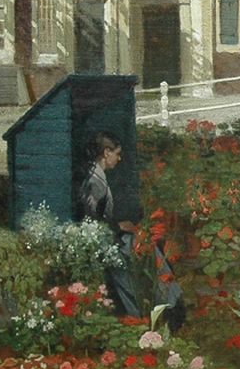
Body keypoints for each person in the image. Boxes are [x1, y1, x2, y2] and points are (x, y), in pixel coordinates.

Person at [77, 131, 185, 329]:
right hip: (106, 244)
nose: (119, 158)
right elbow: (91, 222)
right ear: (106, 152)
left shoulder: (98, 176)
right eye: (116, 153)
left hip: (111, 239)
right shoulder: (94, 181)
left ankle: (168, 304)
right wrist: (118, 227)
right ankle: (168, 305)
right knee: (144, 258)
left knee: (148, 251)